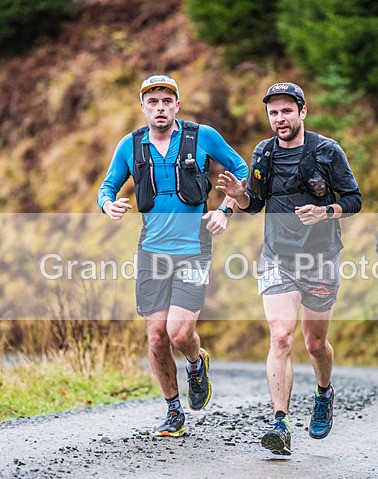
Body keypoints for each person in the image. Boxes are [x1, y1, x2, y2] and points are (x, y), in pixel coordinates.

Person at [97, 74, 248, 437]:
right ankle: (173, 410)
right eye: (153, 102)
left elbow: (241, 172)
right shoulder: (130, 146)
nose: (160, 108)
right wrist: (108, 206)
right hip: (151, 250)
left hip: (194, 248)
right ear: (143, 107)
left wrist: (224, 210)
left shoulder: (202, 137)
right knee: (156, 337)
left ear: (177, 105)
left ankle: (196, 364)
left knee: (180, 334)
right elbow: (107, 187)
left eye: (167, 101)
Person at [216, 82, 362, 455]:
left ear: (302, 112)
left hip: (320, 258)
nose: (279, 119)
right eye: (273, 112)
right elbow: (255, 203)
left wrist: (324, 211)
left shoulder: (327, 152)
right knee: (281, 336)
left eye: (286, 111)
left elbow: (354, 199)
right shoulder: (263, 153)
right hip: (277, 257)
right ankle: (279, 423)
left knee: (315, 343)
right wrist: (238, 197)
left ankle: (324, 393)